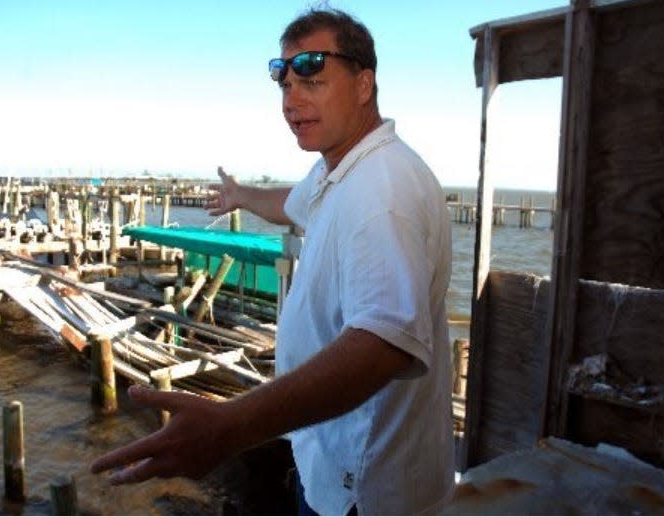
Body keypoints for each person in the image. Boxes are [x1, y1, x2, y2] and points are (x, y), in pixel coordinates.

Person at [91, 8, 455, 515]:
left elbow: (383, 345)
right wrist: (241, 195)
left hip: (366, 491)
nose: (292, 100)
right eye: (284, 85)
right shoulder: (343, 171)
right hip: (335, 466)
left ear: (364, 83)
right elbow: (294, 201)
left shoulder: (382, 191)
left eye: (313, 79)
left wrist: (230, 427)